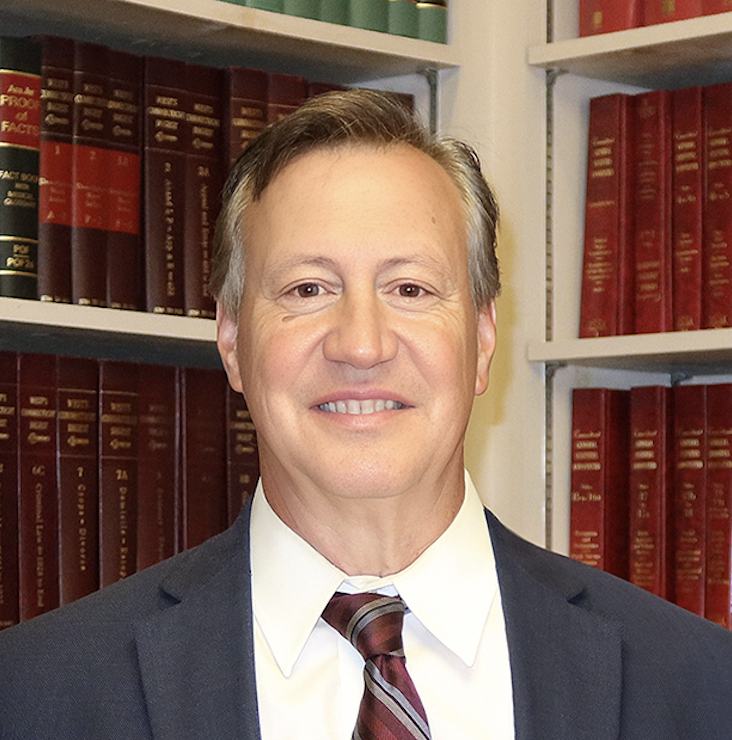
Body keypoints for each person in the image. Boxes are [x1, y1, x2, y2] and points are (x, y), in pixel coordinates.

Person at [1, 89, 732, 740]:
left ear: (482, 340)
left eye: (410, 289)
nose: (361, 344)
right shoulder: (36, 693)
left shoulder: (700, 686)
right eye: (308, 289)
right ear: (230, 340)